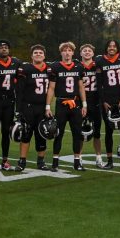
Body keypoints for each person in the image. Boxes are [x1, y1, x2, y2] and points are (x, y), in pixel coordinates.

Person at [46, 41, 87, 172]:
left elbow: (81, 86)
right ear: (61, 52)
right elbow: (51, 88)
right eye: (65, 50)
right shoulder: (56, 67)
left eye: (69, 50)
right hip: (61, 103)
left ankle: (77, 162)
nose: (67, 52)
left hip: (75, 104)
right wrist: (47, 106)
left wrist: (84, 104)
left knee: (77, 133)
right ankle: (55, 162)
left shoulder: (78, 67)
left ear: (73, 52)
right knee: (59, 133)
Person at [0, 39, 22, 170]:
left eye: (6, 47)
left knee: (6, 131)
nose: (4, 49)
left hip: (9, 99)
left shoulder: (16, 62)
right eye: (1, 47)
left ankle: (5, 160)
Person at [95, 39, 120, 169]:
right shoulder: (100, 60)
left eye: (114, 46)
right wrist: (103, 100)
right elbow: (99, 84)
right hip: (107, 99)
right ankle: (109, 160)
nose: (112, 48)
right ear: (106, 48)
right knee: (108, 130)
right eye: (109, 46)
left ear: (117, 48)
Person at [16, 45, 50, 170]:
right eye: (35, 52)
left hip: (42, 107)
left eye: (41, 52)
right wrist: (18, 110)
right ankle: (22, 161)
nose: (38, 54)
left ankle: (41, 161)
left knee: (42, 133)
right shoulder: (25, 68)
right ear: (31, 56)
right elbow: (19, 91)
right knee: (26, 134)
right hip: (28, 106)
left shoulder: (49, 69)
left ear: (44, 55)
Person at [79, 44, 103, 167]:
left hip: (95, 101)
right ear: (81, 53)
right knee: (80, 132)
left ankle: (98, 157)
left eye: (89, 51)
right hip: (81, 102)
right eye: (85, 50)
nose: (87, 52)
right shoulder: (77, 66)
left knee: (97, 132)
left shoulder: (97, 65)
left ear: (93, 54)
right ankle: (79, 157)